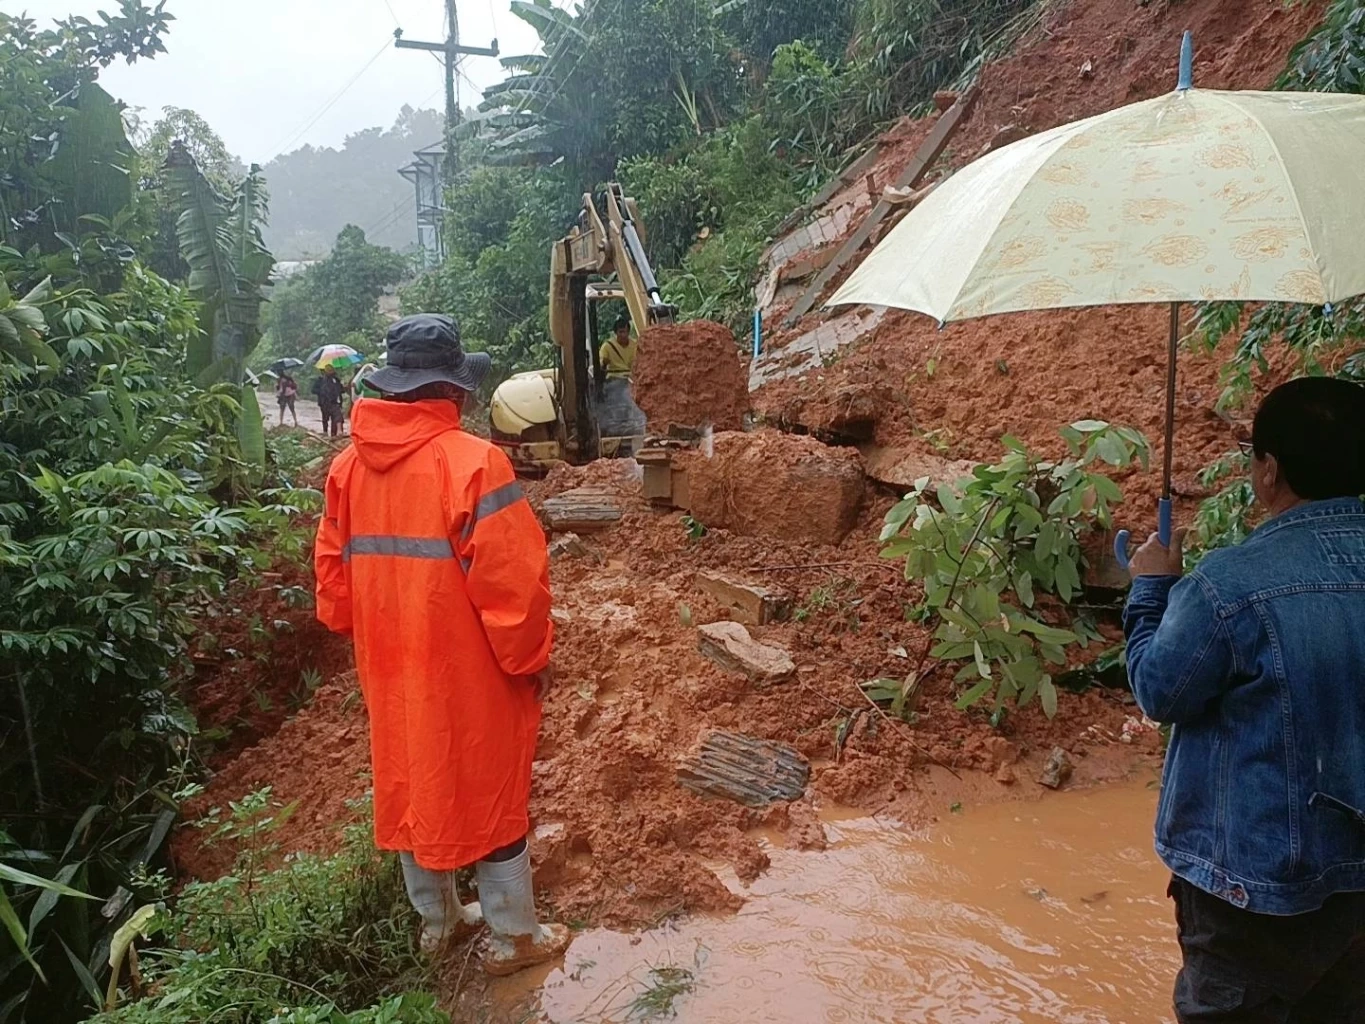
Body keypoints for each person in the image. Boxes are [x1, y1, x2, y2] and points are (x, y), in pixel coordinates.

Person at [313, 313, 569, 976]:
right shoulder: (475, 463)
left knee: (410, 779)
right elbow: (513, 587)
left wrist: (371, 628)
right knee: (491, 787)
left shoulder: (346, 468)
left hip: (388, 662)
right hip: (468, 667)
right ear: (452, 390)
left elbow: (332, 580)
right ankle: (514, 937)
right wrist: (530, 660)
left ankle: (439, 923)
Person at [1124, 377, 1365, 1022]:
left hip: (1253, 889)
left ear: (1269, 470)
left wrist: (1152, 589)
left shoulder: (1229, 584)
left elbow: (1159, 691)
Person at [598, 313, 638, 378]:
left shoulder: (635, 345)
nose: (623, 335)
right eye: (620, 332)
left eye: (625, 331)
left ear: (628, 332)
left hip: (631, 377)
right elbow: (601, 364)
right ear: (615, 332)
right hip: (614, 378)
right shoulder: (607, 346)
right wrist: (603, 363)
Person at [313, 366, 345, 438]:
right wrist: (321, 392)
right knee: (325, 418)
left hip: (334, 402)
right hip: (324, 403)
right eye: (329, 370)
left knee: (336, 417)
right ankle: (325, 432)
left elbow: (341, 390)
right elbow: (313, 390)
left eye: (332, 370)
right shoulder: (320, 380)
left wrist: (342, 388)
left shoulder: (336, 380)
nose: (331, 372)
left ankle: (334, 434)